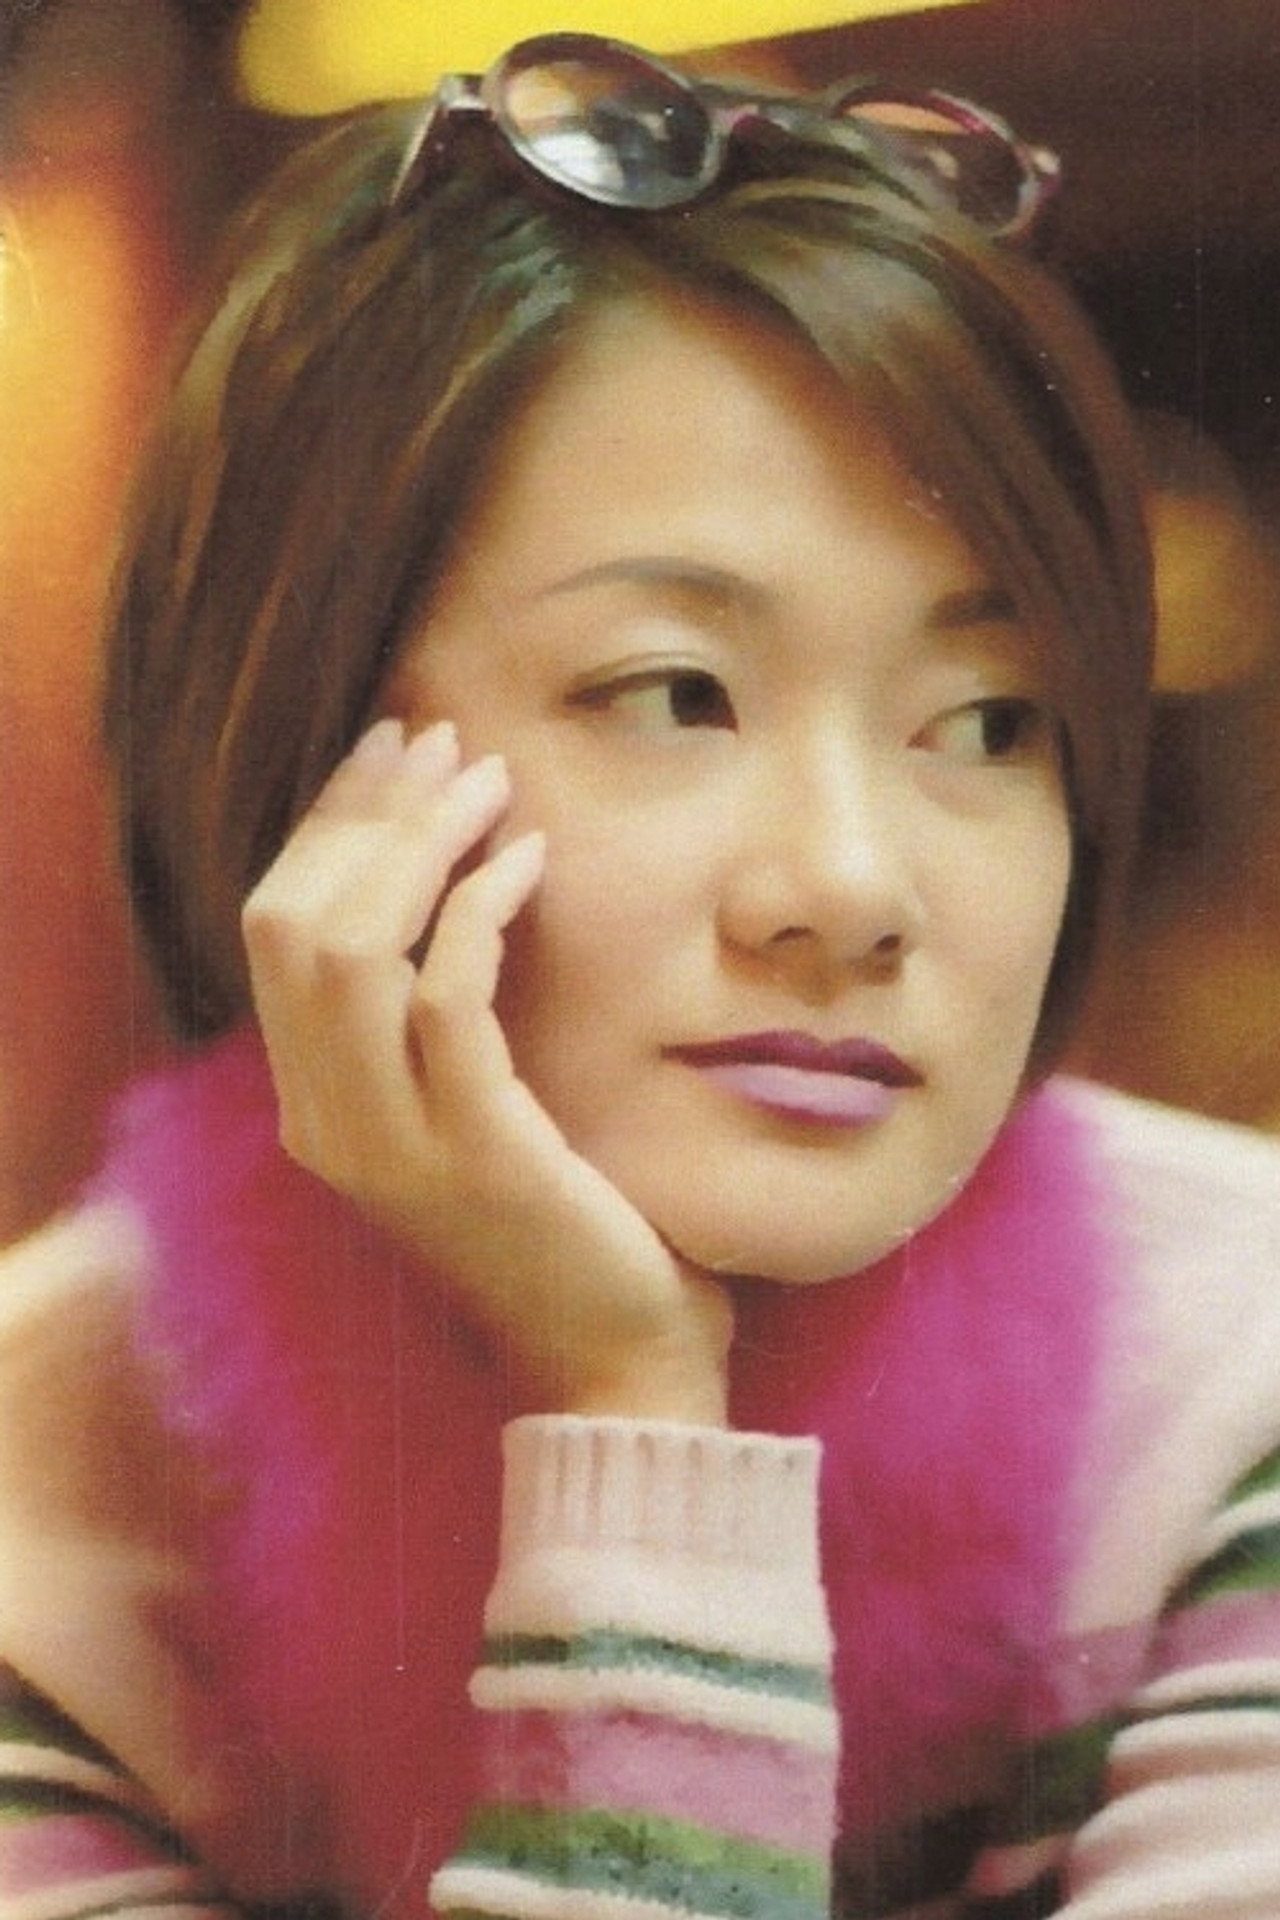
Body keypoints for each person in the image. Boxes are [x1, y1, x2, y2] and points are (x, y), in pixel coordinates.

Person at [2, 32, 1280, 1920]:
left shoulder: (1238, 1384)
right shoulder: (50, 1503)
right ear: (300, 762)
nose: (851, 888)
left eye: (990, 721)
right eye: (675, 693)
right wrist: (634, 1397)